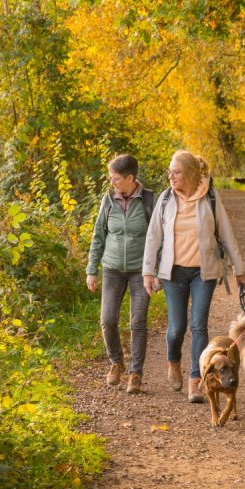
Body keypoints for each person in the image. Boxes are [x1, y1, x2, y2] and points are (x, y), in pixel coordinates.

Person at [142, 150, 245, 404]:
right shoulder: (166, 199)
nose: (170, 176)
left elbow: (227, 234)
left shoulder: (210, 197)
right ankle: (173, 360)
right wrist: (148, 271)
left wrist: (239, 268)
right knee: (177, 327)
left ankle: (195, 380)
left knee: (199, 324)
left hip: (204, 272)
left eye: (175, 172)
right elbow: (153, 236)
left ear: (190, 174)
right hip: (173, 272)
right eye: (169, 171)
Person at [86, 154, 156, 394]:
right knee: (107, 320)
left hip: (140, 270)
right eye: (111, 178)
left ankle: (135, 373)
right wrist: (91, 270)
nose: (112, 182)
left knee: (138, 321)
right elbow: (99, 236)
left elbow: (160, 237)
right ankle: (116, 362)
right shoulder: (108, 200)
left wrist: (156, 271)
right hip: (112, 268)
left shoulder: (149, 200)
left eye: (116, 178)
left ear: (130, 177)